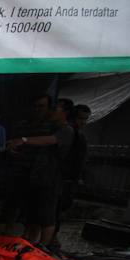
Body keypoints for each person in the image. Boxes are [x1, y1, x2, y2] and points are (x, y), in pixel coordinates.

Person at [5, 94, 72, 245]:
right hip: (30, 177)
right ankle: (29, 243)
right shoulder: (28, 125)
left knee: (46, 216)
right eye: (36, 106)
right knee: (31, 214)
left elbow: (49, 141)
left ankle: (42, 249)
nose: (39, 110)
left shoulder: (62, 130)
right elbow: (12, 142)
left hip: (48, 179)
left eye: (54, 108)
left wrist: (24, 141)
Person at [52, 104, 91, 246]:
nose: (83, 122)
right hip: (60, 178)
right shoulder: (69, 133)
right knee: (54, 211)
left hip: (68, 180)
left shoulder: (79, 136)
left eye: (85, 119)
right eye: (81, 118)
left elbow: (80, 161)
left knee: (59, 209)